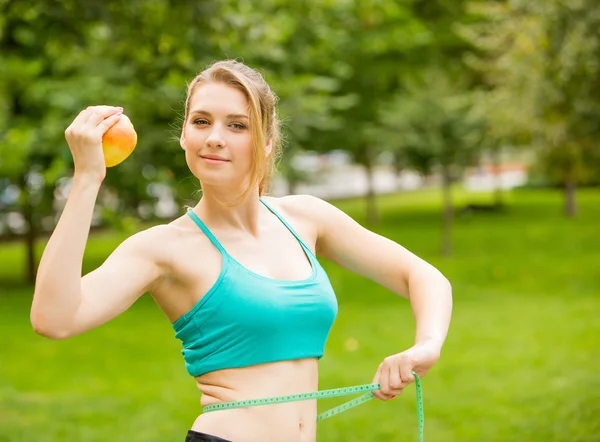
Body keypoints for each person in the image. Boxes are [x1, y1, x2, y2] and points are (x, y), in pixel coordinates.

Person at [31, 60, 452, 442]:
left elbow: (422, 275)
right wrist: (87, 178)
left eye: (237, 125)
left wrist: (426, 345)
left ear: (267, 141)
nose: (214, 138)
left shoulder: (305, 218)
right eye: (201, 121)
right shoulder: (164, 248)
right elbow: (55, 317)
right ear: (184, 135)